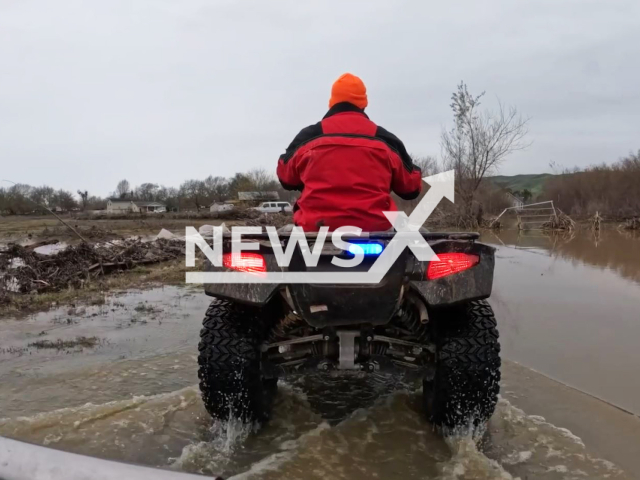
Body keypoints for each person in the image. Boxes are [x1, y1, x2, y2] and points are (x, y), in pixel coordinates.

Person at [277, 73, 422, 232]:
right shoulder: (386, 141)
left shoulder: (308, 138)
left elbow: (286, 177)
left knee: (283, 237)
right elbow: (411, 189)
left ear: (331, 103)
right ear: (364, 104)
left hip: (314, 231)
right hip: (376, 230)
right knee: (420, 236)